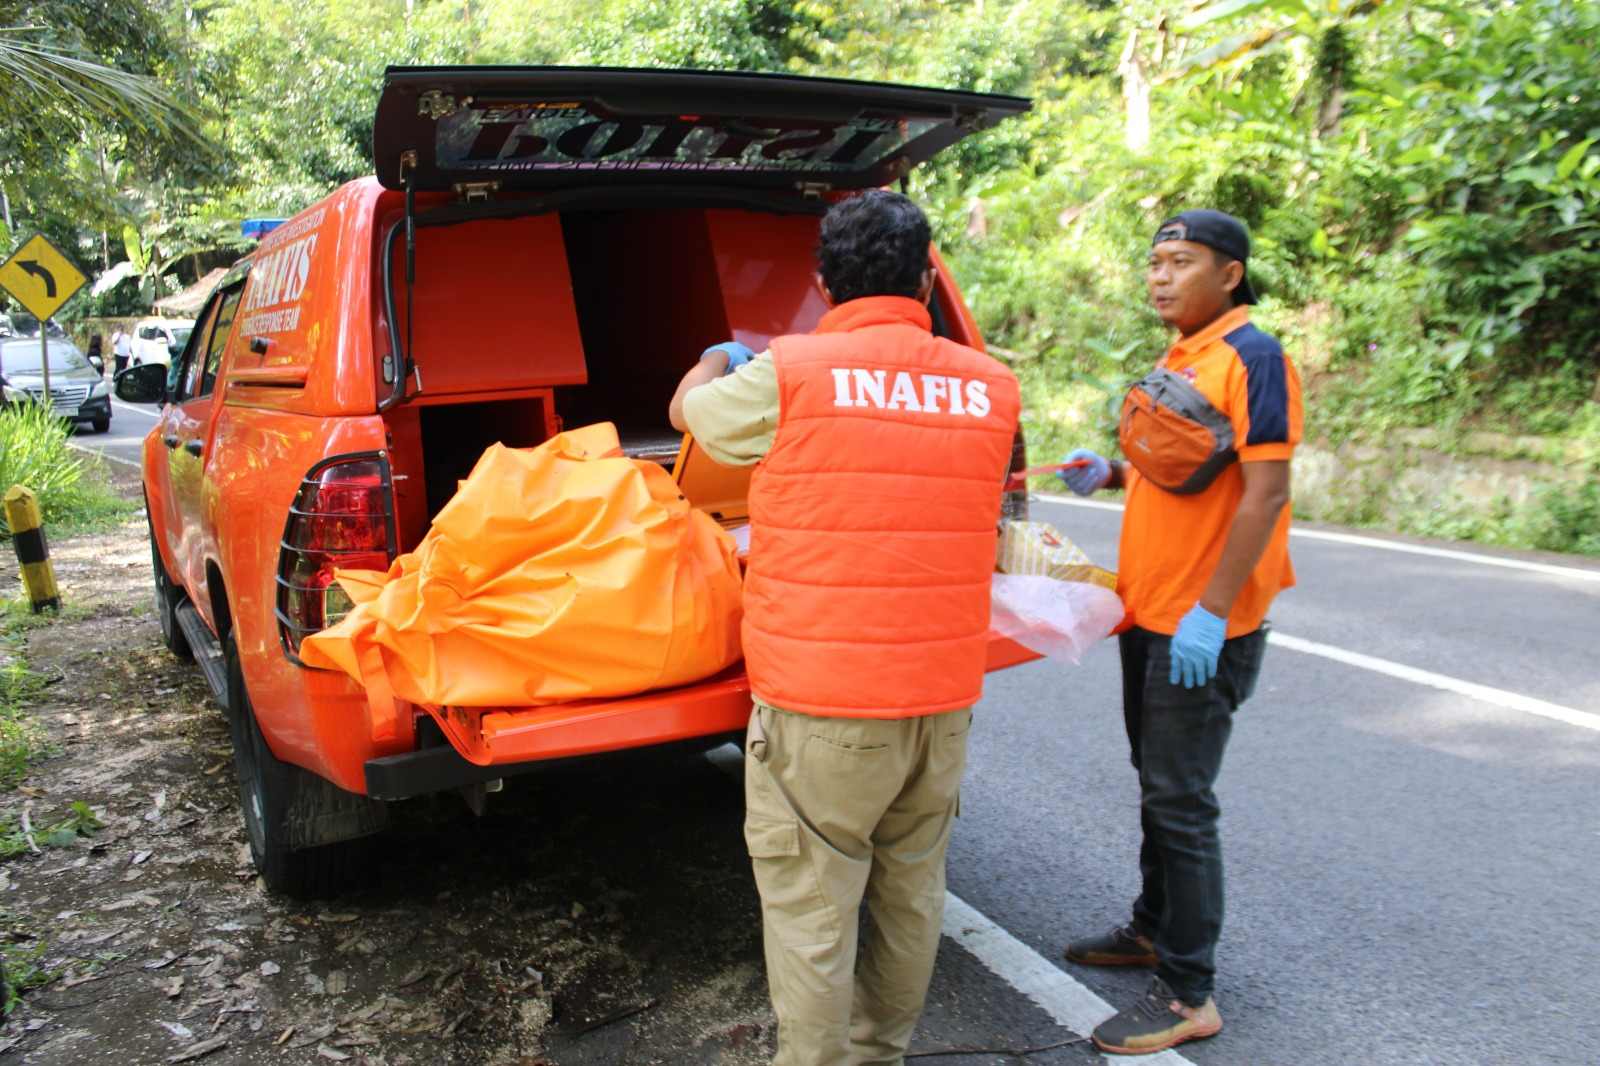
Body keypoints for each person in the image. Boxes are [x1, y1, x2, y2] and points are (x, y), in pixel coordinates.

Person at [668, 190, 1021, 1066]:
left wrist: (719, 358)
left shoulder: (788, 373)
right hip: (940, 700)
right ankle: (879, 1056)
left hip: (823, 705)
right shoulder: (994, 386)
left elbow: (689, 416)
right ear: (928, 283)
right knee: (910, 895)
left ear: (824, 283)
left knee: (813, 910)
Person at [1055, 209, 1302, 1056]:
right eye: (1155, 261)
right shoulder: (1182, 353)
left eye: (1182, 262)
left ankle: (1190, 992)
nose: (1161, 277)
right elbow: (1192, 463)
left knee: (1182, 801)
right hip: (1150, 610)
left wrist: (1213, 610)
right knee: (1157, 782)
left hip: (1205, 623)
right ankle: (1153, 929)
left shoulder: (1254, 356)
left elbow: (1264, 493)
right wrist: (1115, 472)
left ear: (1230, 273)